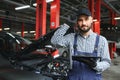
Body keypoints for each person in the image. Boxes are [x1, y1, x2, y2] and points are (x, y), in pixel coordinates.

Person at [50, 7, 111, 80]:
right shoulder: (71, 38)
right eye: (80, 20)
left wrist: (96, 65)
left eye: (86, 19)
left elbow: (107, 62)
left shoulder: (101, 40)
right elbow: (54, 41)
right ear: (77, 22)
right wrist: (66, 24)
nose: (84, 23)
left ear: (91, 20)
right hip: (73, 77)